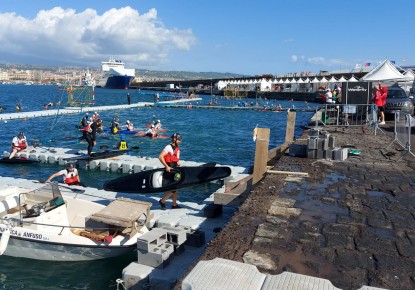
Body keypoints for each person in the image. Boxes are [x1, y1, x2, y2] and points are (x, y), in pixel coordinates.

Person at [158, 133, 182, 209]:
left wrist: (177, 162)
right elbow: (160, 157)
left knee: (176, 187)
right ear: (174, 139)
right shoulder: (168, 147)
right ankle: (162, 201)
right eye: (178, 140)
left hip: (175, 169)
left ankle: (174, 204)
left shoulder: (177, 147)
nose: (180, 141)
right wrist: (166, 166)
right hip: (169, 169)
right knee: (173, 188)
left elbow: (175, 158)